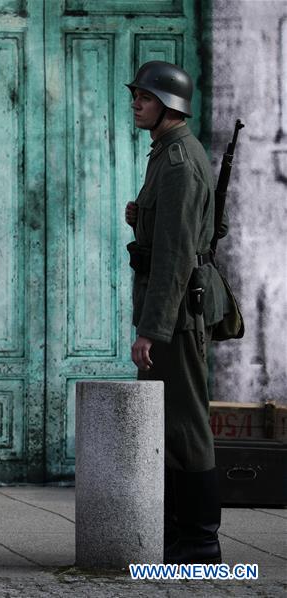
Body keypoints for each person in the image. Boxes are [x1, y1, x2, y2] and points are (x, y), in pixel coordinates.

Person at [125, 61, 229, 565]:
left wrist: (151, 331)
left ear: (170, 104)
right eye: (136, 95)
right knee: (165, 426)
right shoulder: (166, 153)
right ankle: (171, 539)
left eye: (144, 96)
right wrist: (139, 215)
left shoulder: (178, 161)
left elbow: (173, 258)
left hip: (176, 316)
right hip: (170, 311)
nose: (136, 103)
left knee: (184, 425)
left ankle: (200, 545)